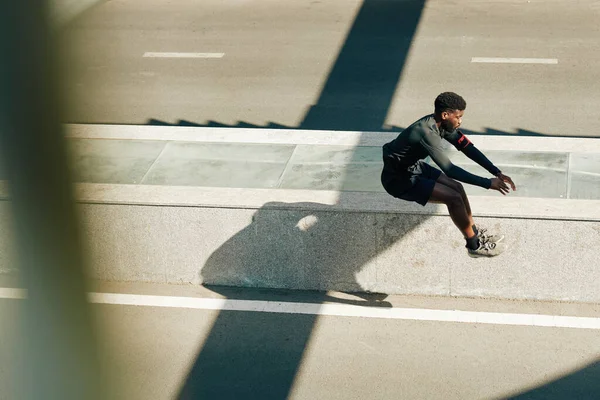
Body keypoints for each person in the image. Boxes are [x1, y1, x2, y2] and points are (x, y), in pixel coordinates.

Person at [381, 92, 516, 257]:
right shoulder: (426, 132)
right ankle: (474, 245)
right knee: (453, 198)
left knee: (457, 188)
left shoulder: (443, 125)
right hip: (398, 180)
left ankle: (474, 232)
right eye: (458, 117)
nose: (460, 121)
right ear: (445, 115)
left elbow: (468, 148)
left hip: (414, 168)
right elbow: (450, 169)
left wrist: (496, 172)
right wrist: (487, 183)